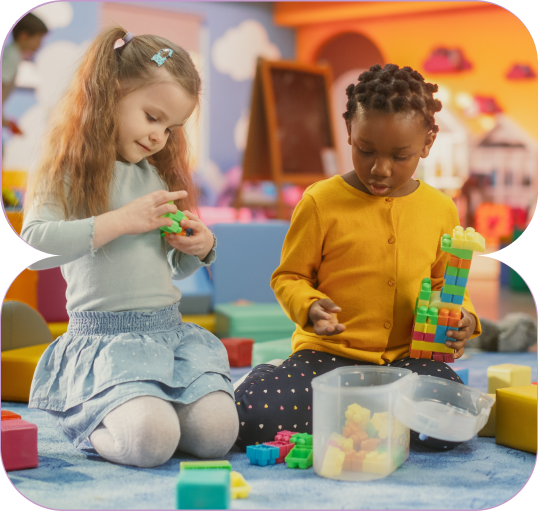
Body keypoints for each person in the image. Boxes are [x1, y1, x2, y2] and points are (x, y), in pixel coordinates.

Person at [234, 63, 482, 451]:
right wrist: (311, 308)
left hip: (404, 361)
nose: (379, 169)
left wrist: (464, 318)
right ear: (349, 129)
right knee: (251, 417)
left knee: (452, 419)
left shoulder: (441, 210)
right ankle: (357, 412)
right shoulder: (320, 202)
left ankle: (352, 415)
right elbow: (288, 277)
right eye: (365, 150)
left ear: (427, 142)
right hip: (328, 359)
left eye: (400, 156)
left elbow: (444, 284)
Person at [20, 27, 238, 468]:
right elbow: (35, 246)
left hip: (167, 333)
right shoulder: (65, 168)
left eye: (171, 127)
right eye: (152, 117)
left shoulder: (155, 173)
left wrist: (197, 246)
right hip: (106, 342)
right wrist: (121, 221)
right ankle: (88, 416)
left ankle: (149, 405)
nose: (160, 136)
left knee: (218, 434)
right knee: (150, 441)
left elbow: (171, 269)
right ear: (109, 92)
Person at [2, 12, 48, 135]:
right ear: (23, 36)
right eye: (38, 38)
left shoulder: (10, 54)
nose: (40, 44)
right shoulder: (12, 56)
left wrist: (7, 122)